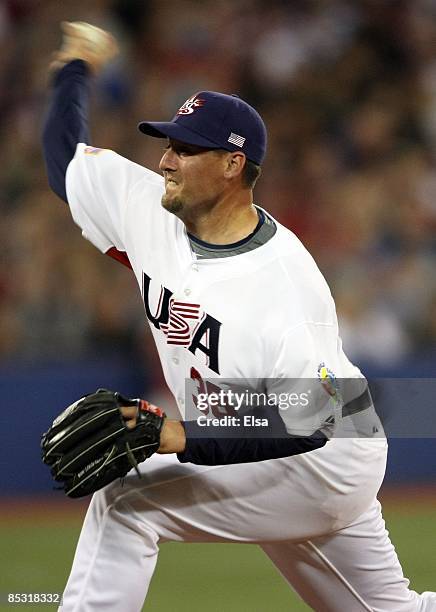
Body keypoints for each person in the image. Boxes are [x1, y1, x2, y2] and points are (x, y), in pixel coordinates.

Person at [42, 21, 436, 612]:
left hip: (324, 455)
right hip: (265, 444)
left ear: (232, 164)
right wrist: (73, 71)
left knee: (123, 499)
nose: (166, 159)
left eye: (185, 149)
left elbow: (314, 415)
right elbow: (65, 164)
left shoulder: (283, 283)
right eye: (168, 144)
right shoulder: (149, 207)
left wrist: (177, 434)